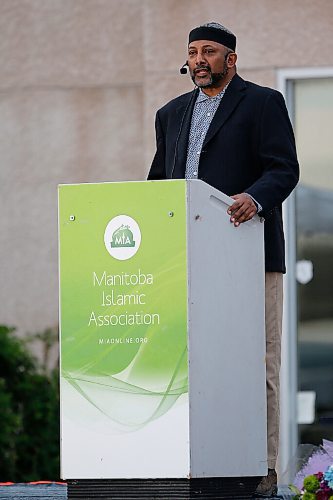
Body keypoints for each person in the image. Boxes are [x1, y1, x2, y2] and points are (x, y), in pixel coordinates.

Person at [148, 22, 299, 497]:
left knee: (258, 364)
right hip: (188, 261)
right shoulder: (170, 114)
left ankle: (262, 469)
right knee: (193, 364)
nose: (199, 60)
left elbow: (283, 168)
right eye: (192, 52)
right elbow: (159, 184)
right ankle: (198, 466)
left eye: (208, 51)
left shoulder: (262, 103)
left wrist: (255, 198)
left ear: (230, 58)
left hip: (248, 252)